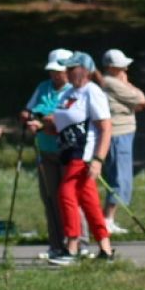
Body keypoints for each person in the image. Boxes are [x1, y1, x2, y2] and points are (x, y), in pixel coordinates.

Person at [42, 52, 114, 265]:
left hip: (83, 156)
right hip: (67, 154)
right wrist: (43, 125)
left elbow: (105, 128)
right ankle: (105, 248)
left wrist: (98, 160)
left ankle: (72, 246)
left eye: (72, 68)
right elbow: (61, 125)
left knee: (65, 193)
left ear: (84, 70)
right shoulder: (68, 94)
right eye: (67, 68)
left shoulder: (92, 92)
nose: (68, 72)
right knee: (89, 202)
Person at [97, 48, 145, 234]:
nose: (125, 69)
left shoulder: (116, 83)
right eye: (121, 66)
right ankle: (106, 219)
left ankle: (109, 218)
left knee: (121, 176)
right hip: (117, 135)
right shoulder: (110, 82)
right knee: (119, 177)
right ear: (110, 67)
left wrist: (128, 85)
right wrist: (128, 85)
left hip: (125, 133)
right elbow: (139, 98)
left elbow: (138, 103)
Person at [22, 50, 78, 246]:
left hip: (68, 152)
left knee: (69, 197)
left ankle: (78, 241)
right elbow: (29, 111)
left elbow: (68, 118)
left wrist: (46, 121)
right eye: (52, 71)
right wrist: (29, 119)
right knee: (50, 198)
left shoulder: (75, 89)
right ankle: (56, 243)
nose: (55, 75)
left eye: (59, 71)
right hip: (45, 150)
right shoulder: (43, 87)